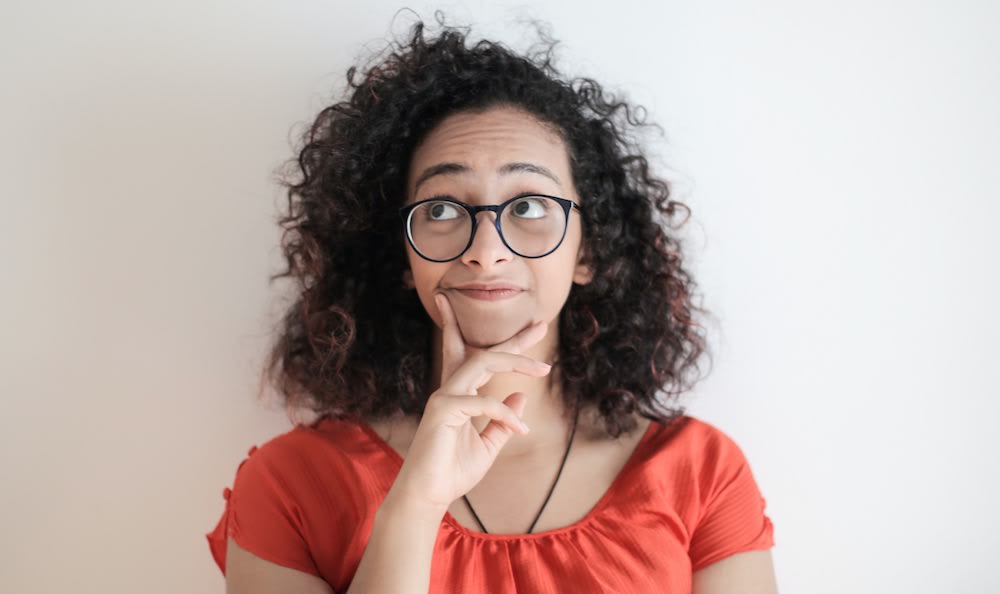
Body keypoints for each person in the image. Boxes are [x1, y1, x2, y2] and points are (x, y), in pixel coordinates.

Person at [207, 13, 777, 594]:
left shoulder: (701, 473)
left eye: (528, 207)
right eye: (441, 210)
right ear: (404, 259)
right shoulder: (290, 484)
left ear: (589, 251)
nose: (486, 251)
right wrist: (416, 503)